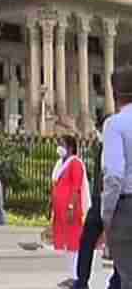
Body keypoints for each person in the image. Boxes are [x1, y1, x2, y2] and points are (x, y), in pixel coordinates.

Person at [74, 116, 121, 289]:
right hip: (100, 201)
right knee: (87, 241)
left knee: (118, 244)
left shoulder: (114, 146)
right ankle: (82, 281)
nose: (97, 132)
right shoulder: (101, 146)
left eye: (98, 129)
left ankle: (115, 281)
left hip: (111, 201)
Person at [103, 66, 132, 289]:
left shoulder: (115, 124)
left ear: (115, 94)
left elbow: (114, 176)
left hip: (127, 209)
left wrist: (107, 215)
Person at [52, 135, 91, 289]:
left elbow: (76, 187)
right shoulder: (60, 164)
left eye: (61, 144)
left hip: (72, 211)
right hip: (60, 211)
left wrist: (70, 207)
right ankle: (70, 276)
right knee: (66, 245)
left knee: (74, 244)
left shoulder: (75, 163)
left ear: (70, 147)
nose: (59, 147)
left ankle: (76, 277)